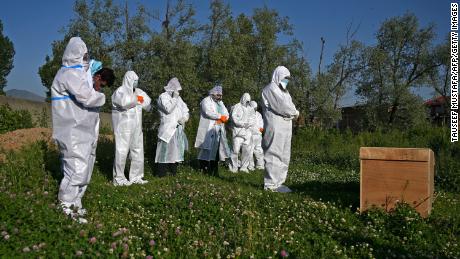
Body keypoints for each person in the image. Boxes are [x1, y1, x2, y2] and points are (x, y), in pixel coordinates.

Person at [51, 37, 108, 224]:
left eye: (87, 56)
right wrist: (101, 96)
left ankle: (76, 203)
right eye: (84, 55)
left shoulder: (78, 74)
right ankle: (66, 205)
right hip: (71, 130)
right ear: (75, 54)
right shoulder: (68, 74)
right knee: (76, 168)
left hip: (82, 131)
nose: (86, 59)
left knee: (85, 168)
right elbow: (87, 97)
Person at [261, 66, 299, 193]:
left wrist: (293, 112)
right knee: (273, 153)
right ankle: (270, 184)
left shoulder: (285, 92)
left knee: (284, 155)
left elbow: (291, 105)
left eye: (288, 79)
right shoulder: (270, 89)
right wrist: (294, 112)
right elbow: (282, 106)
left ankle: (279, 183)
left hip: (286, 126)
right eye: (285, 78)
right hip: (275, 125)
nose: (287, 81)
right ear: (278, 76)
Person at [112, 71, 151, 186]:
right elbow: (124, 103)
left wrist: (138, 98)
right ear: (129, 80)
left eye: (137, 81)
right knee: (121, 151)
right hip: (123, 127)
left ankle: (136, 177)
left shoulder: (139, 92)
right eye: (134, 81)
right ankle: (119, 179)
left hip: (137, 127)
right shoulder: (120, 91)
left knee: (138, 151)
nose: (136, 83)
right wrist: (137, 99)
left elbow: (147, 103)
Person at [155, 77, 190, 177]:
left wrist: (184, 118)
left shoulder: (179, 99)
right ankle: (161, 174)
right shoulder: (163, 96)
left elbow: (186, 110)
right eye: (176, 90)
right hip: (167, 129)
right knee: (164, 152)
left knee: (175, 152)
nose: (178, 92)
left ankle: (173, 173)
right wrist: (174, 98)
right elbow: (168, 109)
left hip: (178, 129)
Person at [194, 85, 231, 176]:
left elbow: (226, 113)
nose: (220, 97)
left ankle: (214, 171)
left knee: (217, 151)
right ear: (213, 94)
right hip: (209, 128)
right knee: (206, 150)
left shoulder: (220, 103)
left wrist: (225, 118)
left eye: (221, 95)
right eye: (218, 95)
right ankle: (203, 170)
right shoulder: (206, 101)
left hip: (218, 130)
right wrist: (219, 117)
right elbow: (208, 112)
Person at [229, 93, 253, 173]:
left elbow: (253, 119)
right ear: (243, 99)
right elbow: (233, 117)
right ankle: (233, 167)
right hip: (237, 132)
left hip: (246, 133)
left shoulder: (250, 109)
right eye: (246, 101)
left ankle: (244, 167)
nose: (247, 102)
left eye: (248, 101)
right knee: (235, 150)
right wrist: (242, 123)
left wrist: (248, 124)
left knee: (246, 150)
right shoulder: (237, 107)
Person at [248, 100, 264, 171]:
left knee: (259, 150)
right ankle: (250, 166)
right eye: (254, 108)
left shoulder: (258, 114)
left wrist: (261, 129)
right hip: (250, 135)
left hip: (258, 136)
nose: (255, 109)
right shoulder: (247, 114)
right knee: (250, 151)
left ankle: (260, 166)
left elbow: (261, 123)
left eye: (255, 108)